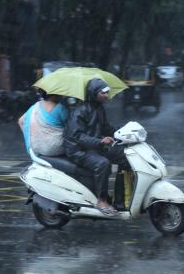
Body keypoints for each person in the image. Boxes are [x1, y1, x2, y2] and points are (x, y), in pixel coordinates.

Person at [63, 78, 129, 216]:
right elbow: (78, 137)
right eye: (103, 92)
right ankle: (102, 200)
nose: (106, 95)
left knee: (125, 156)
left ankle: (120, 200)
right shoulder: (79, 111)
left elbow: (107, 128)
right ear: (94, 93)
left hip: (94, 146)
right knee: (103, 163)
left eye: (107, 92)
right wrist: (99, 141)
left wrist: (125, 132)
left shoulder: (99, 108)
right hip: (78, 150)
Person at [18, 89, 68, 157]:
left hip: (34, 148)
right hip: (54, 149)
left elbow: (21, 121)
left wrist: (29, 138)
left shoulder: (34, 107)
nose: (61, 95)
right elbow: (70, 128)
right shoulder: (60, 108)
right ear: (54, 95)